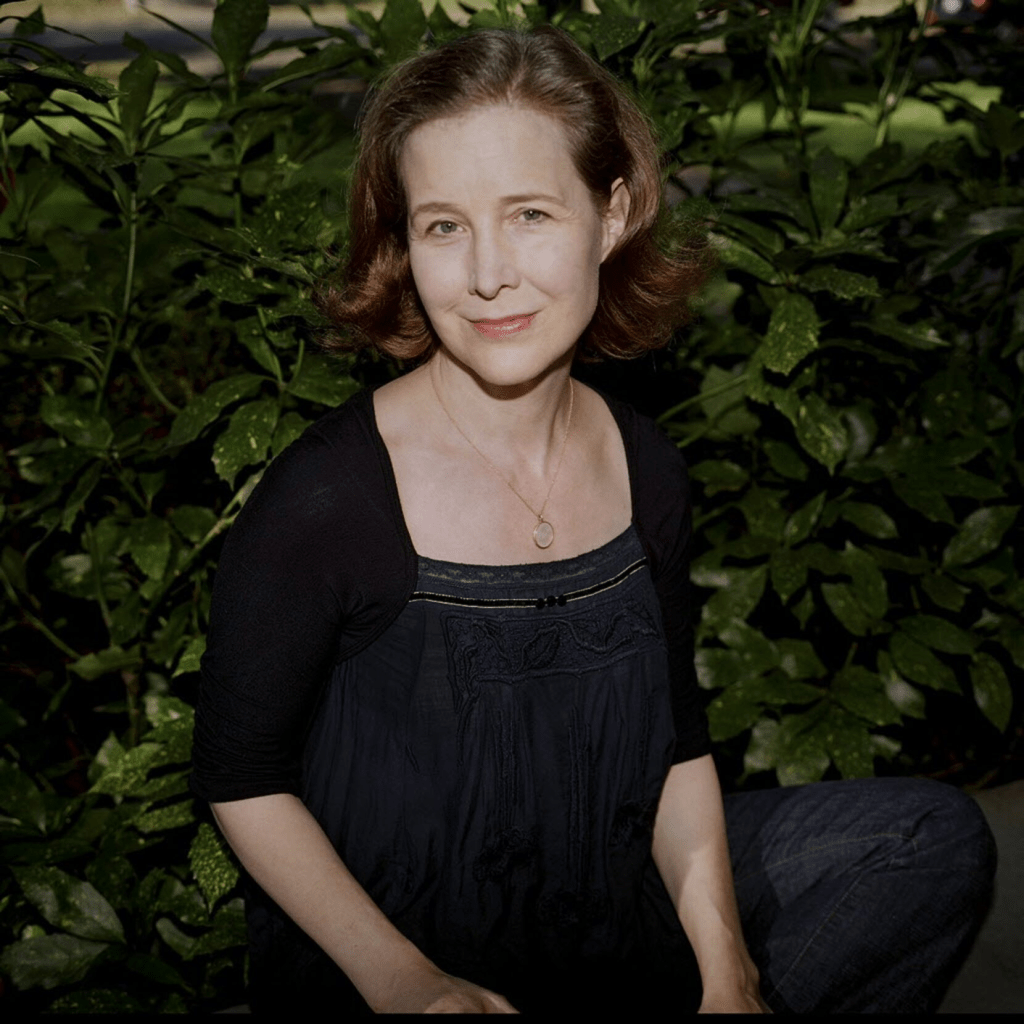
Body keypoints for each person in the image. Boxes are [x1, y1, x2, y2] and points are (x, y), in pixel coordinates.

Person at [189, 26, 995, 1015]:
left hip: (603, 898)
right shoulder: (328, 500)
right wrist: (407, 982)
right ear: (405, 245)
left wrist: (725, 970)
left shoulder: (643, 466)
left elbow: (673, 743)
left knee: (927, 840)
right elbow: (241, 775)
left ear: (610, 215)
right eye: (443, 227)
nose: (488, 273)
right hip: (403, 943)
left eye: (529, 213)